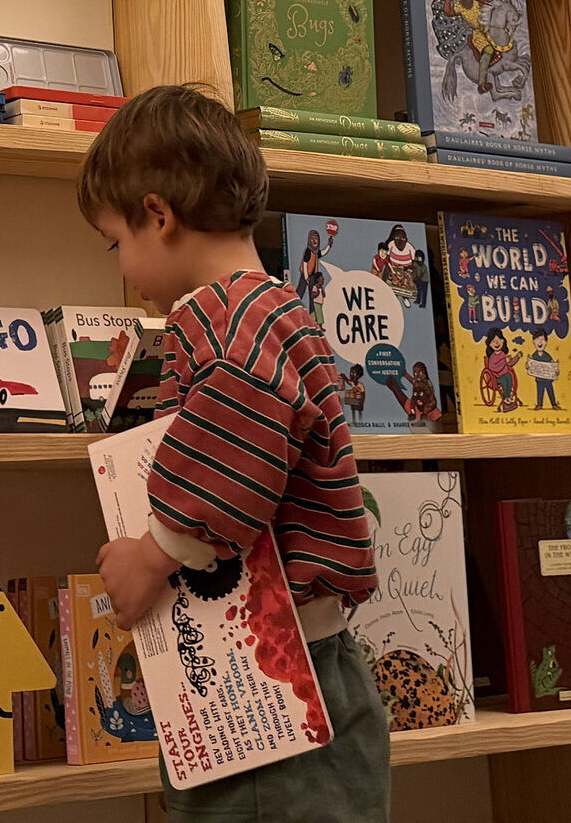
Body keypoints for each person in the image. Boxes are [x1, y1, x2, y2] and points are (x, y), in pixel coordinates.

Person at [76, 85, 390, 823]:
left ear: (159, 215)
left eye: (117, 244)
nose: (123, 267)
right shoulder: (264, 311)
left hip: (279, 689)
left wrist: (151, 555)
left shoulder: (229, 321)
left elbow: (235, 444)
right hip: (285, 670)